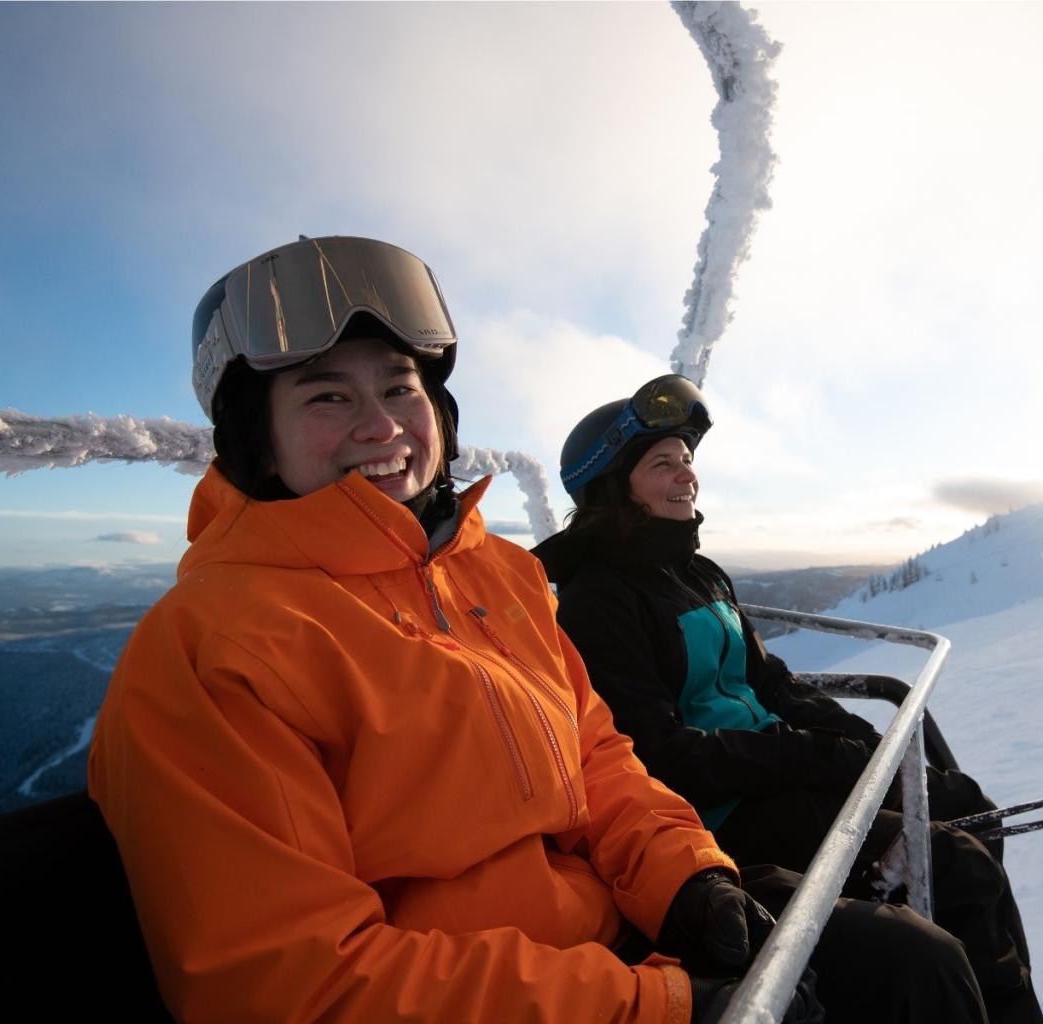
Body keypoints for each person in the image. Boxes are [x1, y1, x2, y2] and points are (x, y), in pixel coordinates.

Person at [88, 236, 985, 1024]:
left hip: (617, 943)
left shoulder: (499, 577)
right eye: (325, 398)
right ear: (257, 441)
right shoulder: (216, 644)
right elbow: (291, 981)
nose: (379, 425)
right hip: (498, 997)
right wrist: (661, 1004)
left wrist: (687, 880)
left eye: (400, 387)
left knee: (913, 966)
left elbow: (598, 757)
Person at [533, 374, 1043, 1024]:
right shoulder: (600, 603)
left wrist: (858, 741)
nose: (685, 476)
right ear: (614, 488)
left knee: (969, 805)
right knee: (956, 865)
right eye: (662, 464)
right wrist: (812, 758)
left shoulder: (698, 572)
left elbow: (771, 680)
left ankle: (990, 1000)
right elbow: (657, 755)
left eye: (687, 460)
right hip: (721, 813)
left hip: (777, 775)